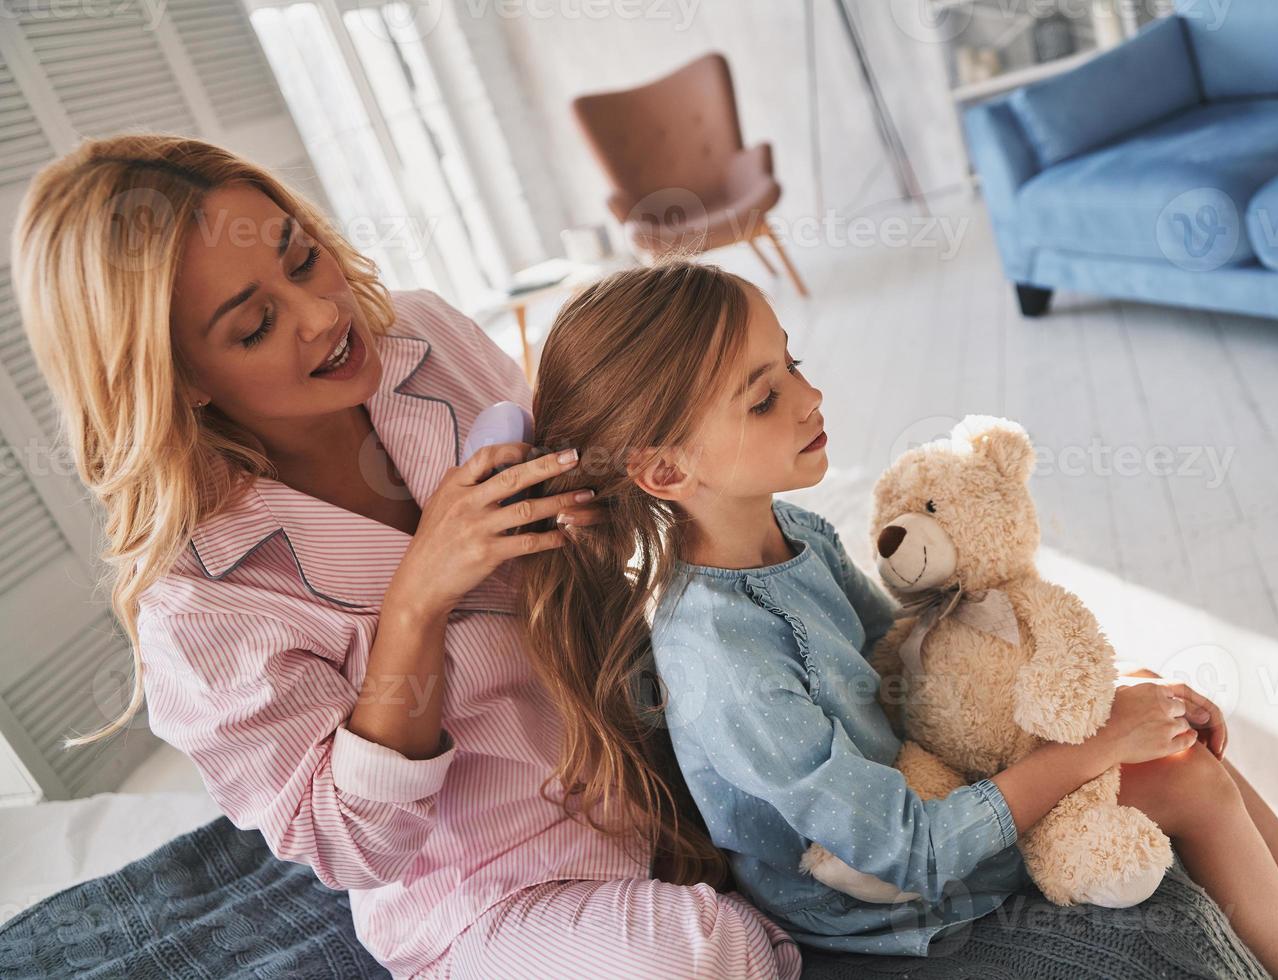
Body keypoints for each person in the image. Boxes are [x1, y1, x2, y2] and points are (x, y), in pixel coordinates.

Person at [519, 258, 1278, 980]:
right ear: (665, 473)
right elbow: (901, 848)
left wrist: (1098, 699)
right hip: (882, 893)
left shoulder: (791, 530)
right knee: (1184, 782)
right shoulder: (720, 651)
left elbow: (914, 665)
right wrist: (1088, 753)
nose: (811, 398)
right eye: (765, 398)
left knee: (1168, 736)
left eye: (792, 365)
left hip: (932, 784)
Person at [10, 134, 800, 979]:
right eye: (256, 325)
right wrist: (417, 600)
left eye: (303, 259)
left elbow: (610, 550)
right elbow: (351, 847)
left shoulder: (423, 338)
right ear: (181, 381)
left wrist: (591, 519)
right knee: (706, 955)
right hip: (492, 897)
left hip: (654, 764)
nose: (321, 315)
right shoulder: (201, 605)